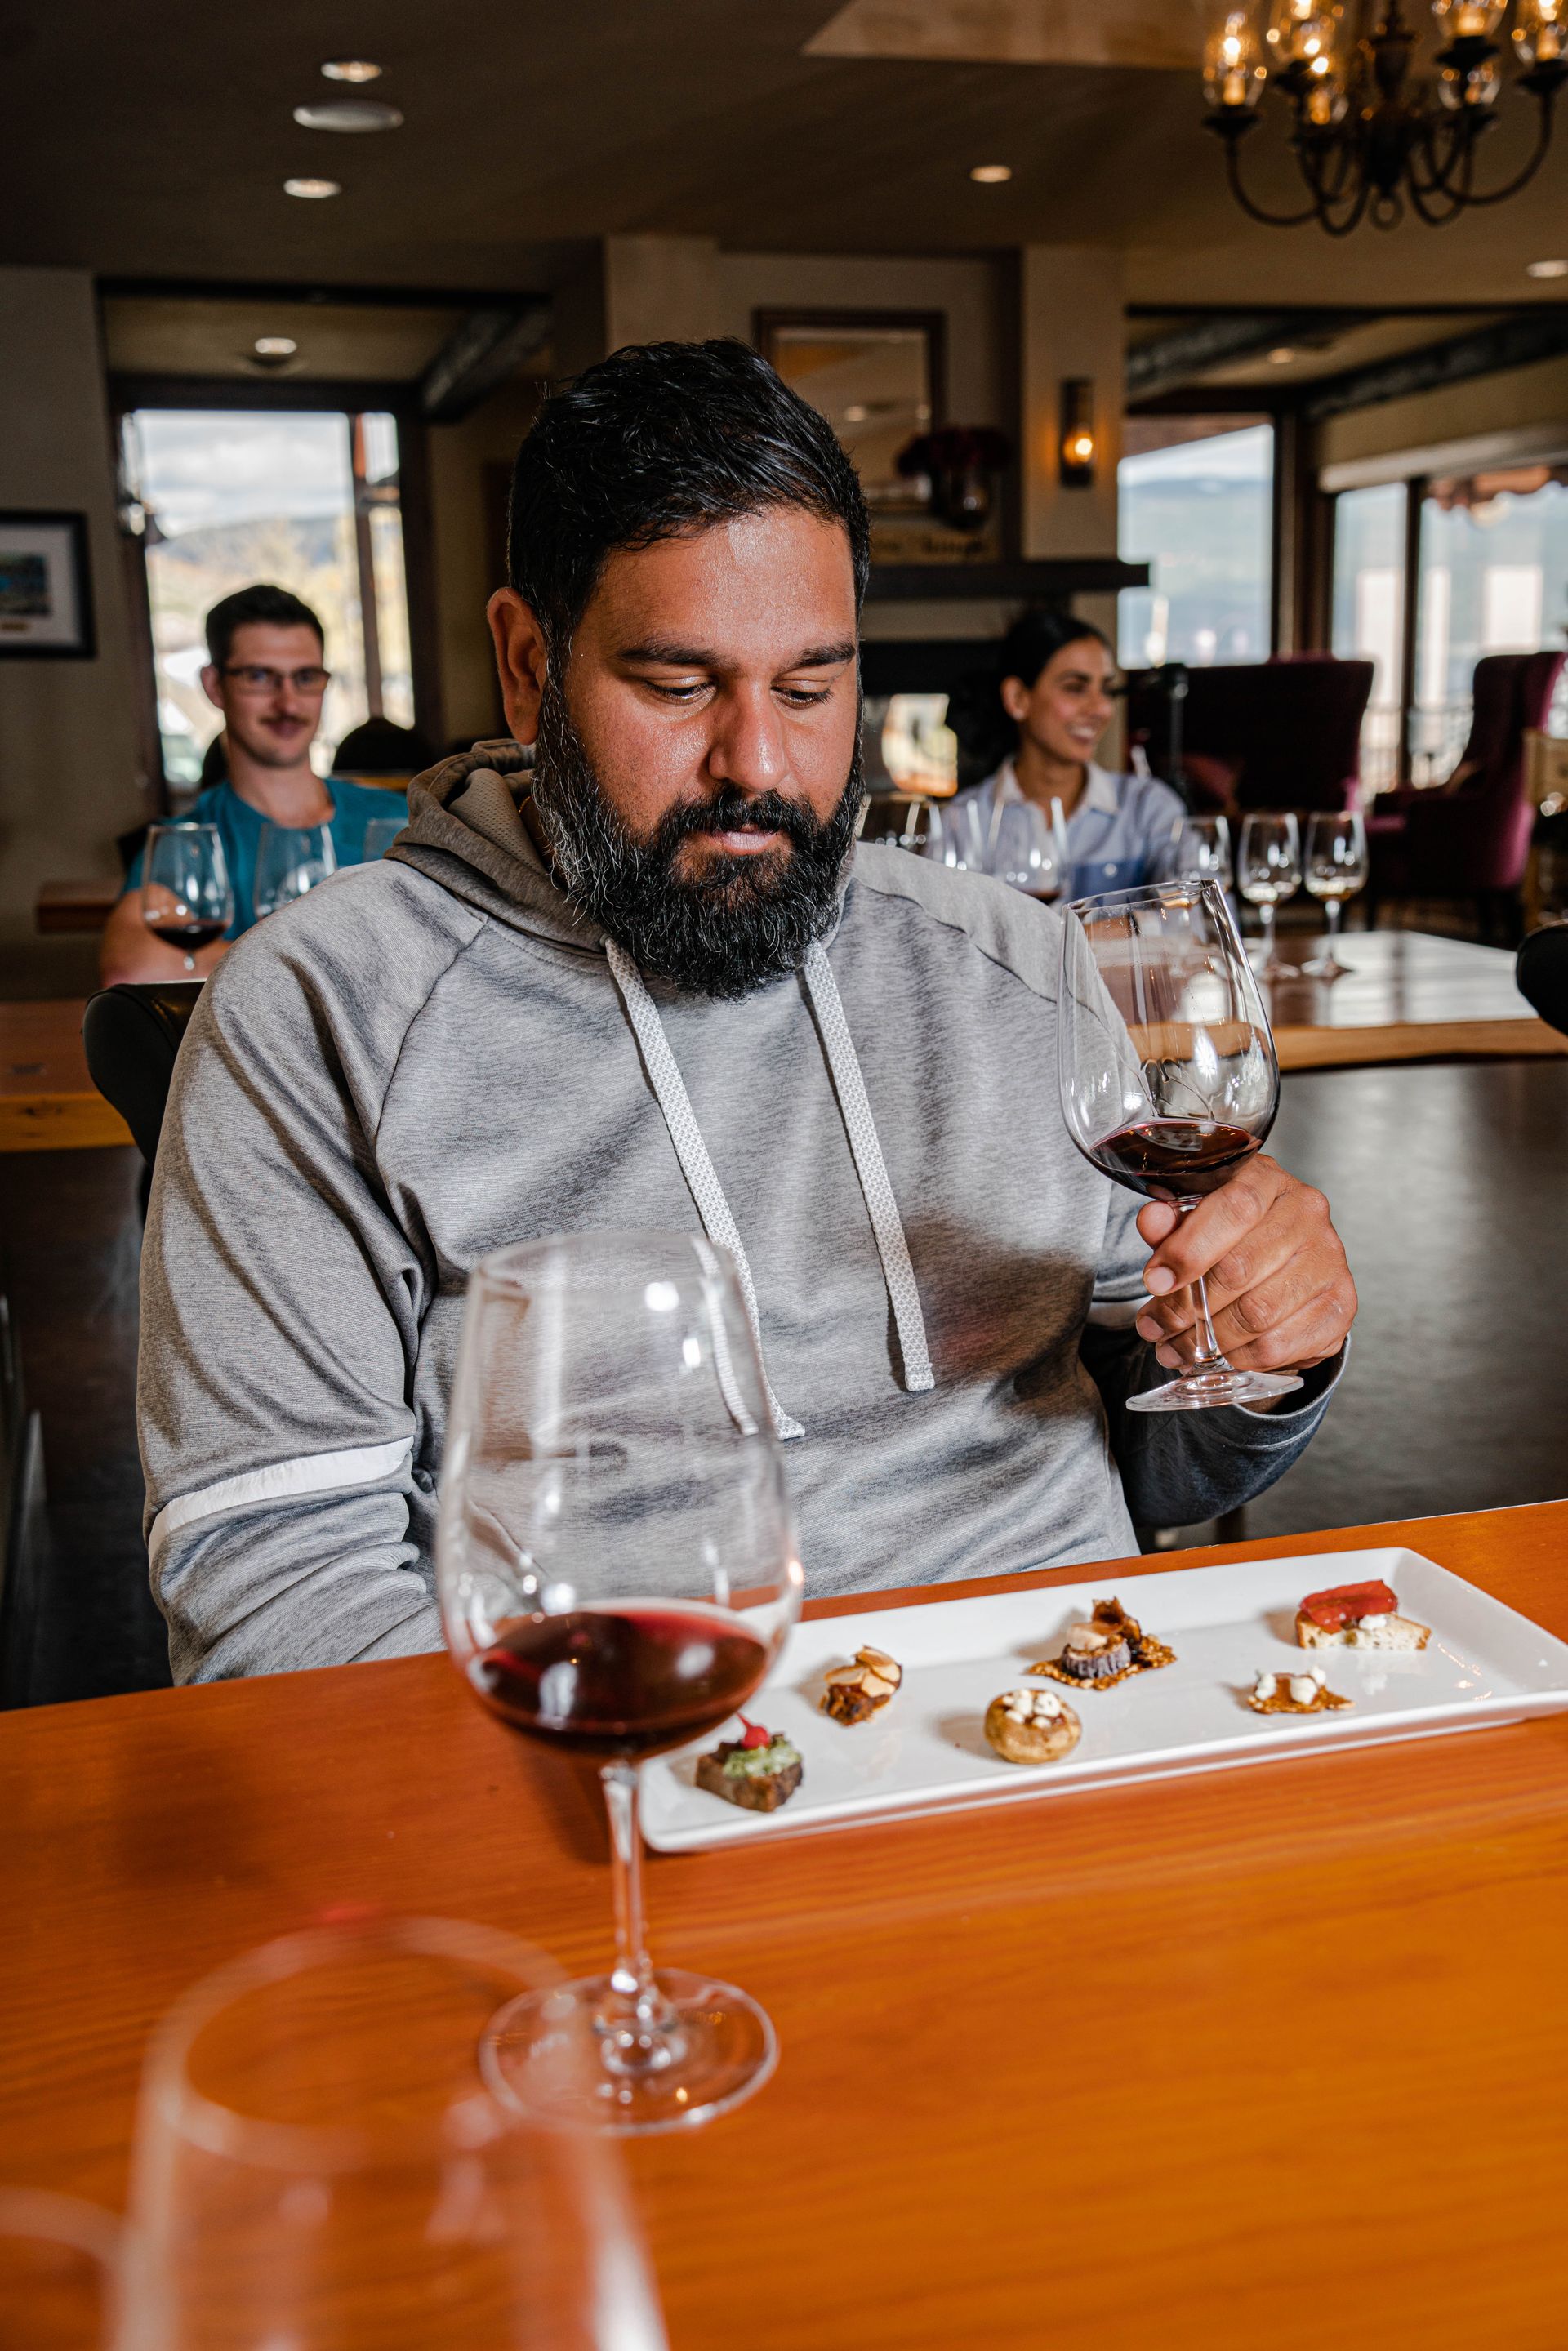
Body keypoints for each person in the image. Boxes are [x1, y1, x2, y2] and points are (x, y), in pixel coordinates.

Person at [139, 341, 1356, 1685]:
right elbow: (275, 1591)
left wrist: (1267, 1350)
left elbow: (1167, 1458)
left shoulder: (1012, 963)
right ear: (529, 663)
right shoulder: (321, 1017)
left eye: (809, 685)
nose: (759, 763)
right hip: (628, 1767)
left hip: (1066, 1724)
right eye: (678, 683)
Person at [100, 585, 411, 984]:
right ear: (214, 686)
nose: (288, 703)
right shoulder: (190, 843)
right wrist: (349, 965)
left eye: (305, 677)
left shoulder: (394, 819)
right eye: (260, 676)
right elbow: (134, 968)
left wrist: (244, 961)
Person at [949, 608, 1187, 898]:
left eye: (1107, 690)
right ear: (1018, 698)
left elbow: (1203, 916)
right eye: (1075, 688)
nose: (1101, 709)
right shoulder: (963, 822)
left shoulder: (1147, 808)